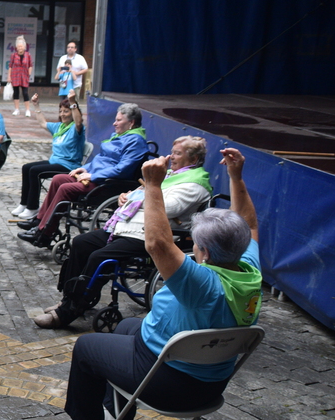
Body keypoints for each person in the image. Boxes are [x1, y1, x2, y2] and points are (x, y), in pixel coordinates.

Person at [57, 148, 261, 420]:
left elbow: (158, 244)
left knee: (86, 347)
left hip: (171, 384)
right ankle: (117, 417)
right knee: (127, 326)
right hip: (210, 384)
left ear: (204, 252)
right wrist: (236, 176)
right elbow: (250, 224)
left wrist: (153, 185)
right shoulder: (249, 271)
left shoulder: (202, 285)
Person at [34, 136, 213, 329]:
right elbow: (140, 192)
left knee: (99, 257)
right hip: (127, 228)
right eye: (172, 151)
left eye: (177, 153)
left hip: (149, 236)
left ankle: (68, 311)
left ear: (193, 159)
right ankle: (69, 298)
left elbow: (169, 207)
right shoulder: (170, 175)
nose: (171, 157)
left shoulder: (195, 184)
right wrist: (127, 196)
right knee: (81, 243)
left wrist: (144, 193)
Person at [18, 102, 149, 249]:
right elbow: (101, 159)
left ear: (131, 123)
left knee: (65, 188)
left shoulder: (136, 141)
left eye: (119, 120)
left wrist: (92, 176)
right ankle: (39, 221)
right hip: (97, 176)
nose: (114, 123)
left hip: (108, 183)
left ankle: (44, 233)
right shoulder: (119, 136)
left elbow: (122, 169)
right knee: (58, 179)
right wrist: (83, 168)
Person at [11, 90, 85, 222]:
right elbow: (43, 123)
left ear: (73, 112)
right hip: (54, 161)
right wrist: (36, 105)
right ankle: (24, 204)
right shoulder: (59, 127)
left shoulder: (76, 129)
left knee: (35, 171)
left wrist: (73, 102)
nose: (62, 114)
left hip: (68, 166)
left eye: (66, 111)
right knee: (26, 167)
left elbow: (78, 122)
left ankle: (33, 208)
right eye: (61, 111)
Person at [8, 35, 32, 116]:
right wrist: (9, 77)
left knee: (25, 93)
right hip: (15, 76)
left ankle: (27, 110)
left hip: (24, 76)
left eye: (21, 46)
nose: (20, 48)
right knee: (16, 92)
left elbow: (30, 65)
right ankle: (16, 109)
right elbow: (10, 66)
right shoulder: (13, 55)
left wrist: (29, 74)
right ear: (16, 48)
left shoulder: (28, 55)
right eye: (18, 46)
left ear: (24, 47)